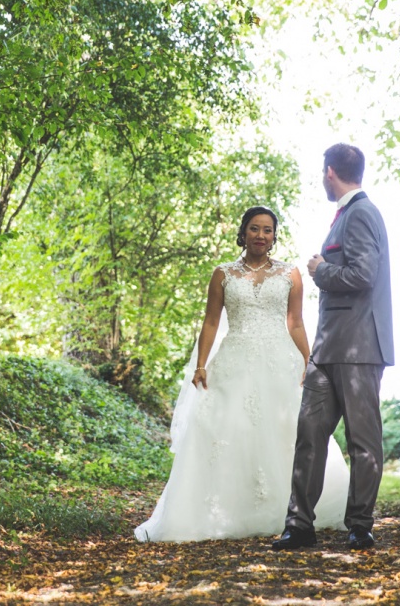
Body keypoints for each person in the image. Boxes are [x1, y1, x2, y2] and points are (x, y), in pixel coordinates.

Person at [134, 206, 348, 542]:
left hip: (280, 362)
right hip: (235, 361)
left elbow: (295, 322)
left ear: (274, 236)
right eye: (254, 229)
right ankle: (228, 512)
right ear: (243, 232)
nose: (261, 236)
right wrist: (201, 364)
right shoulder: (223, 274)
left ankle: (292, 511)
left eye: (267, 230)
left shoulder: (290, 273)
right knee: (230, 429)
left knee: (287, 431)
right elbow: (210, 322)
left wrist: (309, 360)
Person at [273, 143, 394, 553]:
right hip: (326, 350)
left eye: (321, 172)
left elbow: (363, 274)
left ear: (329, 172)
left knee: (363, 443)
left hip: (359, 347)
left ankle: (360, 526)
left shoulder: (361, 213)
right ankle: (298, 525)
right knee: (309, 434)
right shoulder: (346, 214)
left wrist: (320, 270)